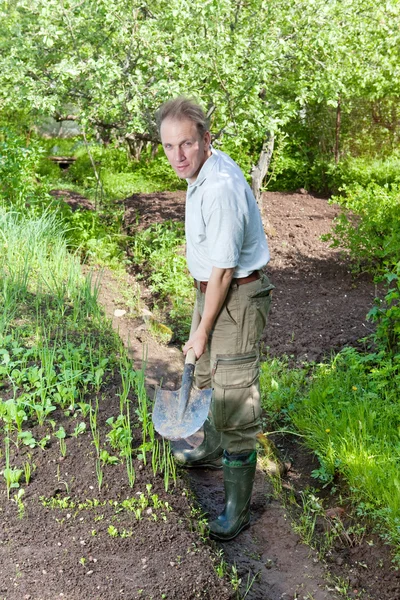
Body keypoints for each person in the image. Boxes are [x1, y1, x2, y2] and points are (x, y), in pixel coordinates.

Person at [156, 97, 273, 541]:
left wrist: (203, 329)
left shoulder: (220, 187)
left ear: (206, 139)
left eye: (186, 144)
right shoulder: (201, 169)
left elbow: (225, 269)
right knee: (204, 374)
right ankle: (210, 445)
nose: (177, 156)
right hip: (212, 289)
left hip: (236, 296)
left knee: (233, 396)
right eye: (169, 146)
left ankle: (235, 509)